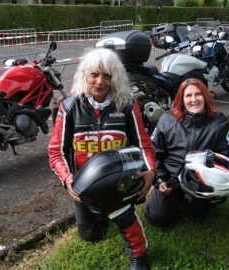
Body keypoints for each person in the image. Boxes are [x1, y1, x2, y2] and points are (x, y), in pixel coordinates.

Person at [48, 48, 156, 270]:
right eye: (94, 75)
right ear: (84, 76)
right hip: (85, 183)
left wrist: (150, 172)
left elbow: (144, 144)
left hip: (119, 179)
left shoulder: (127, 105)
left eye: (107, 76)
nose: (100, 82)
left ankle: (139, 253)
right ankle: (101, 215)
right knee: (90, 236)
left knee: (126, 220)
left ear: (115, 78)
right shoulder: (69, 107)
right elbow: (55, 152)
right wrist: (69, 180)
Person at [144, 78, 229, 227]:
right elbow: (155, 153)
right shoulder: (167, 120)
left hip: (202, 179)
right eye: (188, 95)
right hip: (172, 177)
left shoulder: (219, 121)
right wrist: (160, 180)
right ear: (181, 99)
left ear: (205, 96)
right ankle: (176, 197)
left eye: (198, 94)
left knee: (200, 215)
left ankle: (202, 202)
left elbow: (226, 155)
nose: (194, 99)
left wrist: (216, 179)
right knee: (158, 218)